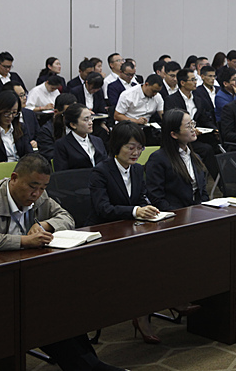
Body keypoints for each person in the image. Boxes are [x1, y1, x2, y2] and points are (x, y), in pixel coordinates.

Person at [0, 154, 128, 371]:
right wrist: (24, 241)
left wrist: (46, 225)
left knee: (62, 310)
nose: (36, 194)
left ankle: (92, 366)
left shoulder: (39, 195)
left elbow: (67, 217)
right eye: (32, 187)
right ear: (14, 178)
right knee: (45, 317)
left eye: (43, 188)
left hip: (24, 279)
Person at [89, 121, 161, 343]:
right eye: (131, 147)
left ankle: (167, 300)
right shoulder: (101, 171)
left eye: (140, 148)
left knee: (163, 252)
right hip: (105, 234)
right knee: (142, 262)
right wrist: (135, 210)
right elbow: (103, 209)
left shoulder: (138, 169)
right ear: (117, 146)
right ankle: (141, 316)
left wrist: (148, 208)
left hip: (131, 230)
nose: (136, 153)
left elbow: (141, 197)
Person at [163, 69, 220, 179]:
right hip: (180, 138)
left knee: (216, 142)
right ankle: (215, 181)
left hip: (197, 136)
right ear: (183, 82)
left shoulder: (198, 99)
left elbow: (204, 119)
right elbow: (171, 122)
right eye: (192, 80)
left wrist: (214, 129)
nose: (195, 83)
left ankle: (221, 180)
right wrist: (190, 129)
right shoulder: (171, 100)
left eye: (195, 80)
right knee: (207, 149)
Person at [146, 109, 209, 209]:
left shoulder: (195, 156)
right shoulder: (158, 159)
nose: (193, 129)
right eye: (188, 126)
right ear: (174, 134)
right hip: (174, 213)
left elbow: (202, 191)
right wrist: (177, 214)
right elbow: (156, 197)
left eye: (193, 124)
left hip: (197, 211)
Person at [53, 103, 108, 170]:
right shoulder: (62, 144)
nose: (91, 122)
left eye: (91, 118)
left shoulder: (98, 141)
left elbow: (106, 164)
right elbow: (62, 172)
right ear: (73, 125)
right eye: (86, 119)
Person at [37, 93, 77, 161]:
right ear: (56, 112)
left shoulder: (79, 127)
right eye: (67, 114)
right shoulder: (46, 131)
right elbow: (50, 155)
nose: (72, 117)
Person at [5, 81, 40, 146]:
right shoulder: (5, 117)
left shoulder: (29, 114)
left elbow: (39, 134)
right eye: (21, 96)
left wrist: (36, 142)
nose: (25, 98)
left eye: (25, 94)